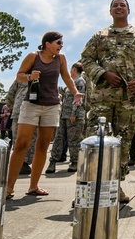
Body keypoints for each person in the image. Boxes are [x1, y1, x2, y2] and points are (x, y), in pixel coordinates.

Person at [81, 0, 135, 203]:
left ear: (128, 10)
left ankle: (115, 186)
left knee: (123, 143)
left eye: (123, 5)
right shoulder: (99, 36)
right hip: (102, 99)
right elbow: (86, 59)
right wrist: (103, 73)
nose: (119, 7)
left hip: (128, 100)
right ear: (110, 11)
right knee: (96, 140)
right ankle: (89, 187)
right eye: (115, 5)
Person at [7, 31, 84, 199]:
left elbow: (66, 78)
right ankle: (8, 187)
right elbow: (19, 76)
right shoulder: (33, 56)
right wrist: (29, 76)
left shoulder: (60, 58)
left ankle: (33, 186)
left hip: (52, 105)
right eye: (58, 42)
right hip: (32, 104)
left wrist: (76, 92)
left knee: (43, 145)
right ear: (47, 44)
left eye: (62, 43)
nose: (61, 45)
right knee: (21, 144)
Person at [47, 63, 86, 174]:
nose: (69, 71)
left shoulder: (80, 81)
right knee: (58, 139)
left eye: (71, 69)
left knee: (74, 140)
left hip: (74, 116)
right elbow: (65, 93)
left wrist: (74, 114)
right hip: (64, 115)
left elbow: (79, 99)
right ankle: (53, 161)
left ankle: (74, 162)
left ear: (74, 69)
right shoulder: (71, 82)